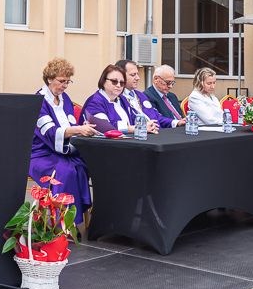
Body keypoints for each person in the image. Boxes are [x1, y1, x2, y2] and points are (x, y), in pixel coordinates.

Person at [31, 58, 97, 225]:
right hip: (41, 153)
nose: (65, 86)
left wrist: (82, 127)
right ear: (49, 79)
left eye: (68, 82)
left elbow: (70, 125)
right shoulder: (38, 101)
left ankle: (73, 220)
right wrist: (79, 129)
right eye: (61, 81)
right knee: (65, 172)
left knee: (81, 166)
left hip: (62, 151)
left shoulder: (65, 98)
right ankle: (61, 225)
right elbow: (50, 133)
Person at [81, 65, 159, 134]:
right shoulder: (95, 101)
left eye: (122, 83)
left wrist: (147, 125)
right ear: (104, 81)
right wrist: (137, 128)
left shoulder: (122, 99)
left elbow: (133, 117)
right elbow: (105, 127)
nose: (118, 85)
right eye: (114, 81)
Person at [115, 59, 183, 129]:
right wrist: (143, 127)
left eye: (137, 74)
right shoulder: (116, 98)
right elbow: (118, 125)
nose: (138, 78)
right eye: (133, 75)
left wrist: (177, 123)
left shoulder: (140, 95)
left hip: (157, 132)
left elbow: (157, 117)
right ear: (121, 76)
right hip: (140, 133)